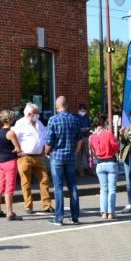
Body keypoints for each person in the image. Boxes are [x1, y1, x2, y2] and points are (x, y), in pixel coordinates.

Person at [46, 96, 83, 226]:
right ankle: (74, 217)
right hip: (70, 157)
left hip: (57, 156)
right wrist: (75, 152)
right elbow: (80, 140)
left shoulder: (53, 120)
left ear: (57, 107)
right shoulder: (75, 119)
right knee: (72, 186)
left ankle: (59, 217)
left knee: (58, 187)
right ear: (66, 105)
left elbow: (49, 141)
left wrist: (46, 152)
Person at [12, 103, 53, 214]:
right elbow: (12, 136)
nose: (38, 115)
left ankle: (47, 205)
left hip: (39, 156)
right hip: (25, 156)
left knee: (44, 179)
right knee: (26, 182)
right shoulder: (20, 123)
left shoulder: (39, 123)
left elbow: (44, 137)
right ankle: (28, 206)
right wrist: (18, 149)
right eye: (36, 113)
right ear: (29, 114)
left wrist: (45, 150)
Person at [0, 109, 23, 221]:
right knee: (9, 188)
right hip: (10, 162)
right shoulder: (11, 133)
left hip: (0, 161)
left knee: (0, 185)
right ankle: (10, 213)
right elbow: (18, 148)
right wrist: (19, 150)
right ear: (10, 119)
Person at [89, 114, 119, 219]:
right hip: (111, 162)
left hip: (100, 164)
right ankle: (111, 212)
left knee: (103, 189)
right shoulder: (108, 134)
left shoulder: (91, 137)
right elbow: (116, 148)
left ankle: (103, 212)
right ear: (104, 123)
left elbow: (93, 151)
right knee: (112, 189)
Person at [75, 104, 92, 177]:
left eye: (84, 111)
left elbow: (89, 125)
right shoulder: (75, 117)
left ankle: (90, 169)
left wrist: (87, 128)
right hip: (79, 138)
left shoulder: (86, 117)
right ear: (79, 110)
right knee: (79, 156)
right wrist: (80, 129)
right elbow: (74, 127)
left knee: (89, 154)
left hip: (86, 137)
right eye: (82, 111)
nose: (83, 112)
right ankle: (80, 170)